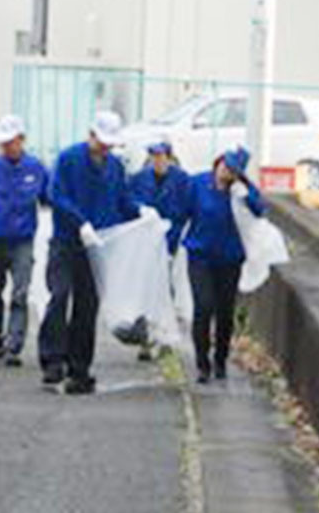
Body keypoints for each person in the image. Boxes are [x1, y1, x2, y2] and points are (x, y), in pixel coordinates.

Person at [39, 111, 155, 395]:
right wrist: (80, 223)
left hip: (97, 246)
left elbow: (121, 199)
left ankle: (80, 367)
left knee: (87, 307)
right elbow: (56, 195)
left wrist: (140, 210)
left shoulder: (115, 167)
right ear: (91, 135)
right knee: (59, 295)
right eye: (101, 141)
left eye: (109, 144)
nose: (105, 147)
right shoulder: (68, 159)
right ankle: (53, 360)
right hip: (66, 242)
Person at [180, 146, 266, 384]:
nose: (224, 172)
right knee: (203, 305)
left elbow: (260, 211)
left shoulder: (240, 190)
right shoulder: (197, 184)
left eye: (231, 171)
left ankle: (220, 360)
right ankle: (202, 363)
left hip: (229, 259)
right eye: (224, 166)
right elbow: (182, 213)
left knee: (225, 312)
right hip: (200, 256)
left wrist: (245, 195)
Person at [0, 115, 50, 367]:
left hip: (23, 241)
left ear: (21, 140)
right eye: (2, 143)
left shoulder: (36, 168)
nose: (6, 147)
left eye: (10, 142)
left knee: (20, 293)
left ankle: (15, 345)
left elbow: (49, 199)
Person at [128, 140, 192, 362]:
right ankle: (146, 338)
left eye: (161, 156)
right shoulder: (138, 180)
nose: (157, 160)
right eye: (153, 156)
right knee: (145, 289)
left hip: (169, 241)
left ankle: (164, 336)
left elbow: (184, 211)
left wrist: (172, 236)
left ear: (169, 157)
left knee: (165, 288)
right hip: (144, 242)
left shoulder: (181, 180)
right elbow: (129, 204)